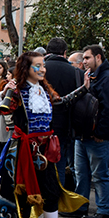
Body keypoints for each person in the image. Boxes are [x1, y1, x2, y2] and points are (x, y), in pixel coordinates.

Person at [0, 52, 88, 218]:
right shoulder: (17, 92)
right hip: (23, 151)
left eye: (43, 66)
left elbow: (62, 102)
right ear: (26, 69)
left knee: (51, 192)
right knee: (23, 195)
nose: (42, 69)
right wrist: (5, 90)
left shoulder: (44, 90)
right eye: (37, 66)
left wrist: (83, 89)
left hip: (44, 151)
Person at [74, 45, 109, 218]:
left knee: (100, 175)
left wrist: (101, 132)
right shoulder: (91, 77)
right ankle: (80, 206)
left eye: (87, 58)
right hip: (85, 135)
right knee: (82, 173)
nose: (84, 62)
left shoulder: (108, 79)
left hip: (100, 137)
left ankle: (104, 211)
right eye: (83, 58)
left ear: (98, 57)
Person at [42, 38, 82, 196]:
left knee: (39, 160)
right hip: (65, 124)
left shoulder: (40, 69)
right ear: (65, 53)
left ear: (47, 51)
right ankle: (55, 199)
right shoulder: (75, 72)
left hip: (40, 124)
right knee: (59, 161)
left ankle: (39, 197)